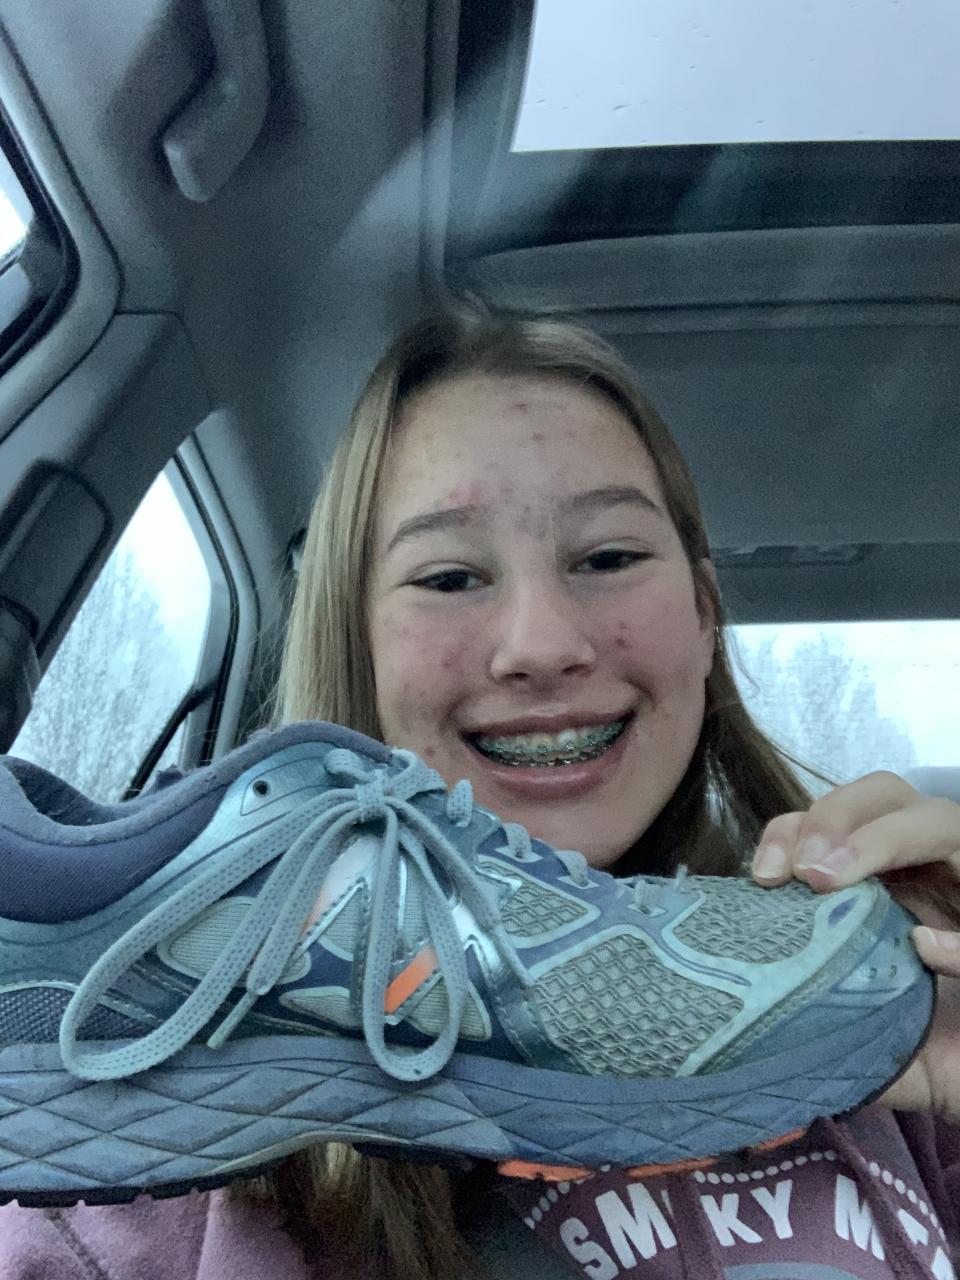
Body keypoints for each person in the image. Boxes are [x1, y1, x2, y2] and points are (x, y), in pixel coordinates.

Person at [2, 310, 960, 1280]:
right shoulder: (138, 1199)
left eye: (608, 557)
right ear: (359, 638)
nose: (541, 644)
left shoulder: (864, 1020)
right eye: (451, 575)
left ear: (705, 614)